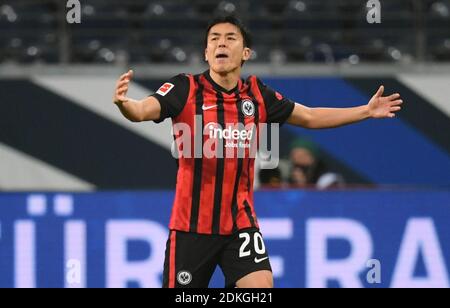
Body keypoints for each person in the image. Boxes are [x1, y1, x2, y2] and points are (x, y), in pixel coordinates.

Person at [112, 15, 403, 288]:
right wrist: (126, 104)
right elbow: (141, 111)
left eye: (229, 38)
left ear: (246, 53)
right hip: (191, 227)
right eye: (214, 39)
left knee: (260, 287)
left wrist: (365, 111)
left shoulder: (257, 95)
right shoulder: (185, 88)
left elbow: (311, 117)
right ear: (205, 52)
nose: (221, 43)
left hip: (241, 223)